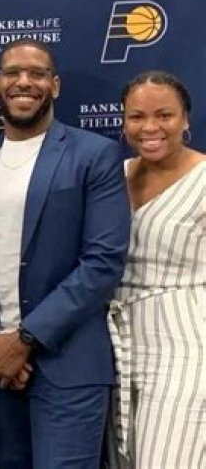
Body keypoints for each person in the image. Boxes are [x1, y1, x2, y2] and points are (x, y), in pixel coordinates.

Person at [0, 38, 131, 468]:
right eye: (12, 73)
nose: (24, 82)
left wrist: (26, 340)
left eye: (37, 74)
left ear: (55, 85)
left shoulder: (95, 155)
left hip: (69, 366)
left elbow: (102, 262)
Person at [108, 71, 205, 468]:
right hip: (120, 346)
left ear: (185, 119)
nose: (150, 127)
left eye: (164, 115)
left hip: (186, 344)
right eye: (137, 116)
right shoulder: (116, 175)